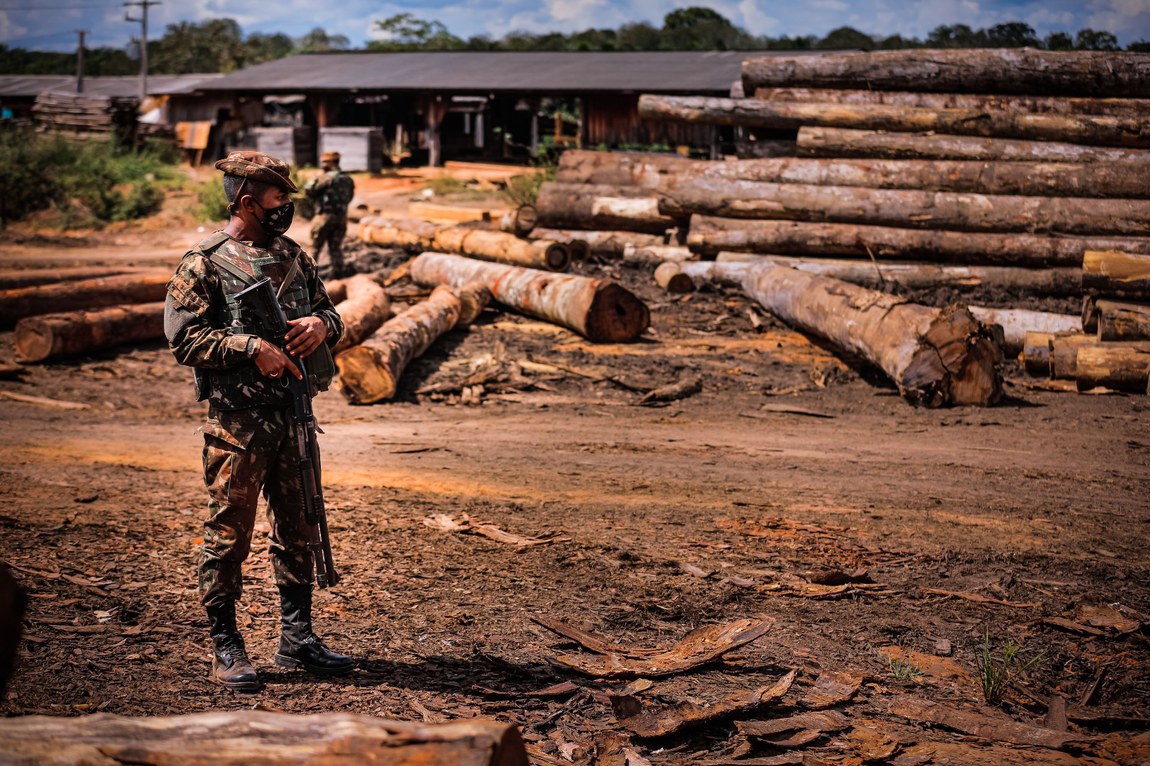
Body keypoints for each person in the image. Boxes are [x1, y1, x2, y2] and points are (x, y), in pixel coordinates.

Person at [164, 150, 353, 691]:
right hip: (238, 426)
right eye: (279, 199)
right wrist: (250, 346)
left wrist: (321, 324)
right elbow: (184, 339)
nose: (287, 207)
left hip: (294, 417)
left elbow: (330, 312)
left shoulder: (294, 256)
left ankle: (298, 638)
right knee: (229, 535)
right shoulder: (204, 261)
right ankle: (226, 644)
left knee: (299, 529)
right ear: (248, 201)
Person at [305, 150, 356, 277]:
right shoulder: (348, 178)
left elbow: (309, 189)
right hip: (341, 218)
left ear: (331, 162)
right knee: (336, 248)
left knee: (314, 248)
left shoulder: (325, 177)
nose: (322, 164)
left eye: (325, 162)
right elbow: (350, 197)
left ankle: (309, 276)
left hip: (324, 217)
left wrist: (318, 176)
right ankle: (338, 275)